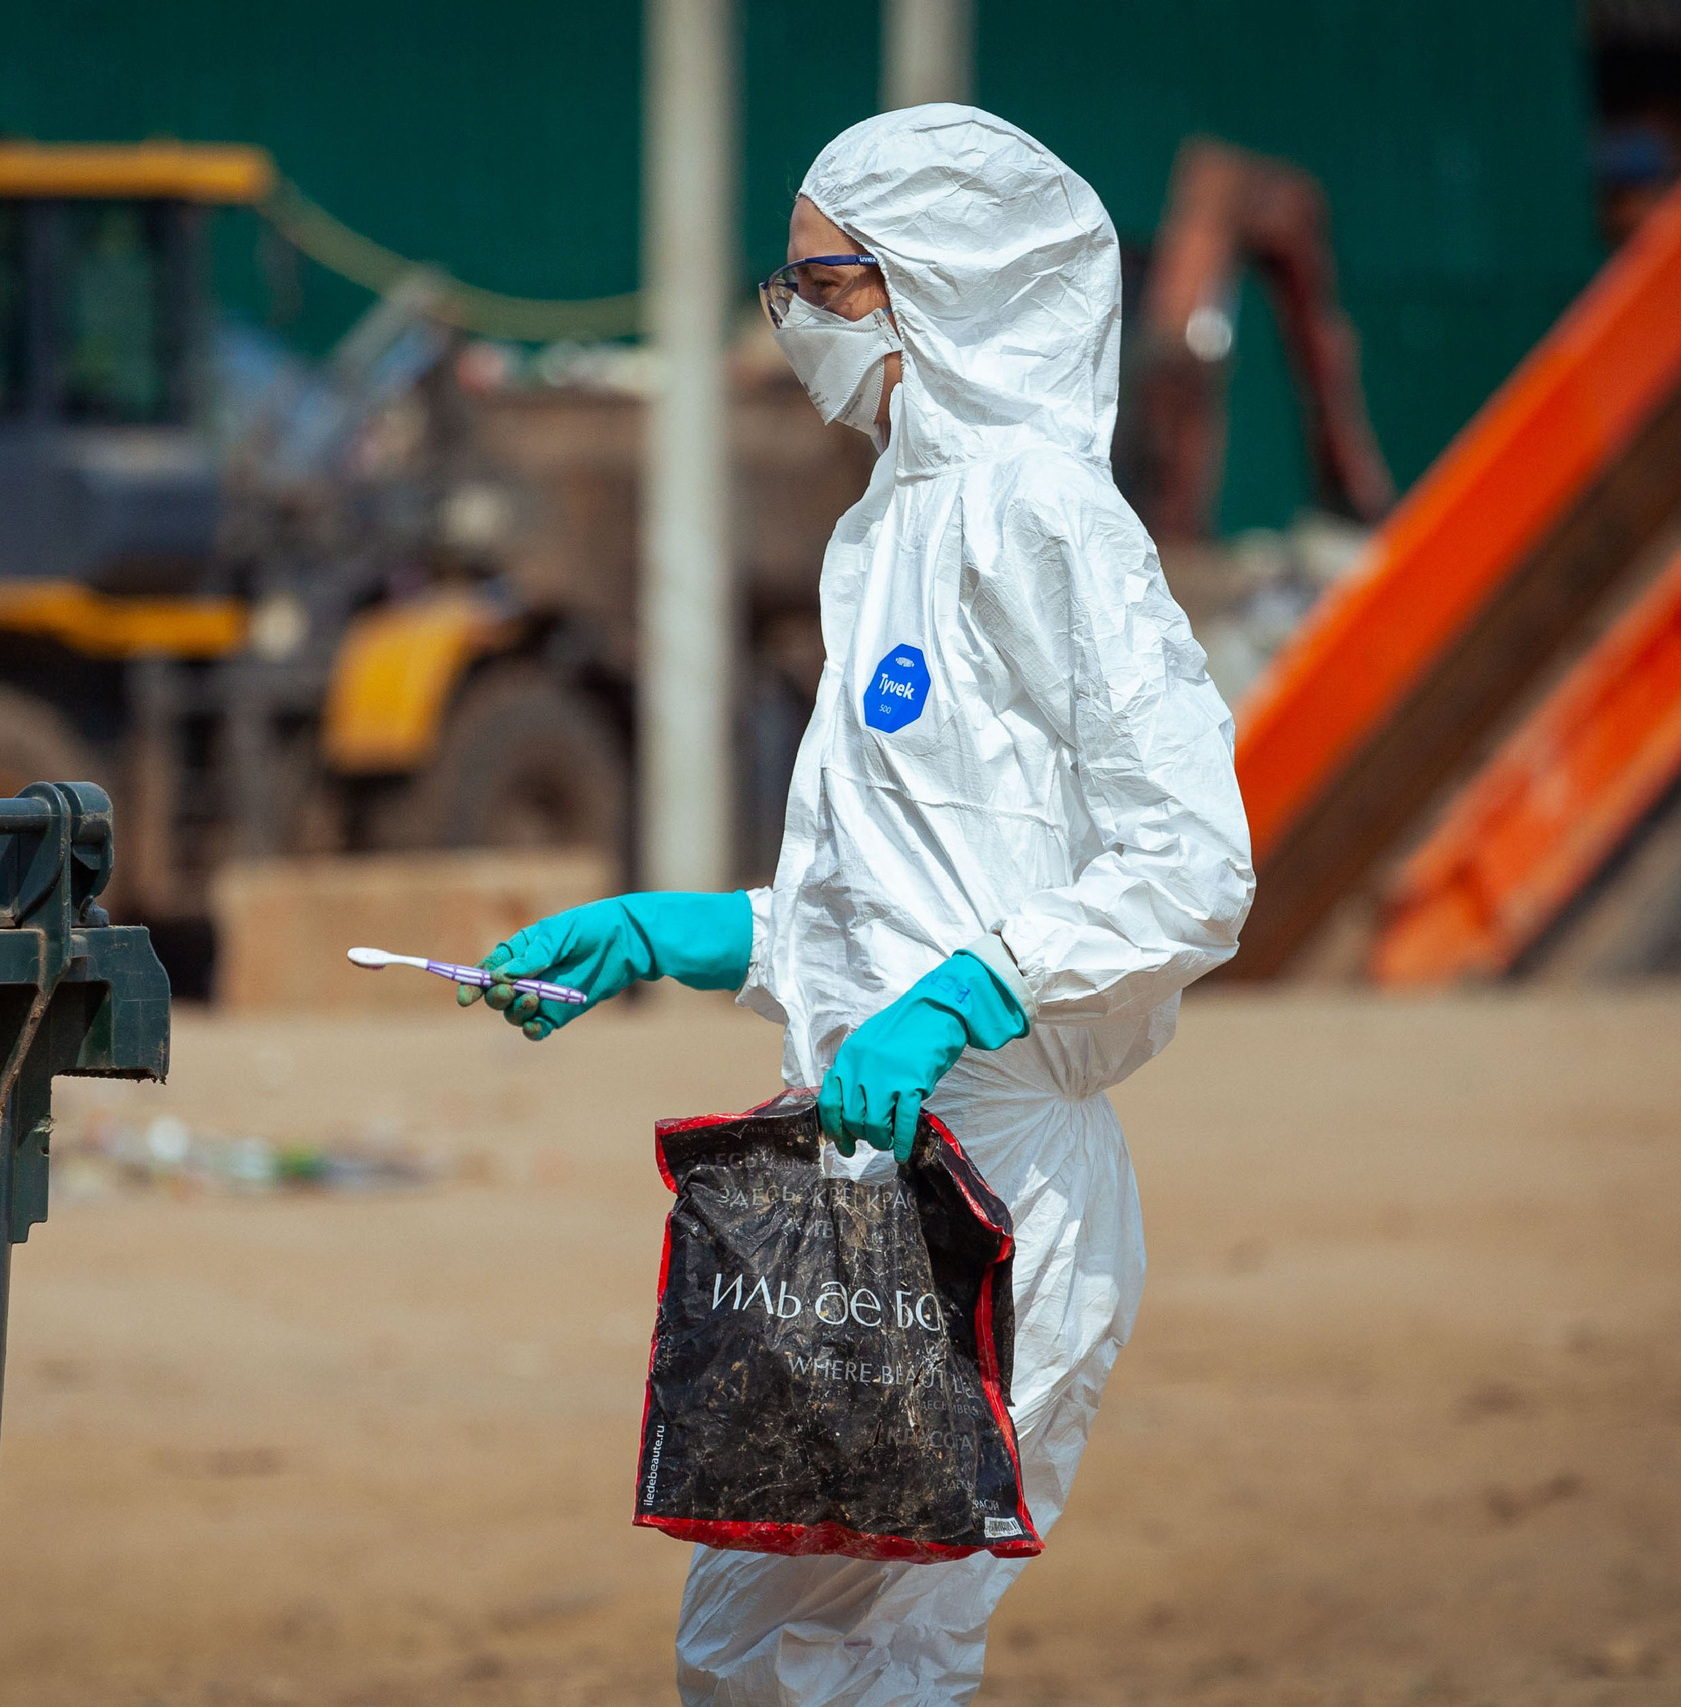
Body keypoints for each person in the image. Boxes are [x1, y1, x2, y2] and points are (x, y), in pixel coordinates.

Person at [462, 104, 1254, 1704]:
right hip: (859, 1181)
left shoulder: (1049, 519)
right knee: (748, 1647)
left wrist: (961, 1000)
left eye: (818, 279)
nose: (791, 315)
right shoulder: (884, 527)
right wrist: (669, 937)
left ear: (930, 285)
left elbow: (1194, 864)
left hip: (998, 1200)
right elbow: (895, 895)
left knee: (880, 1658)